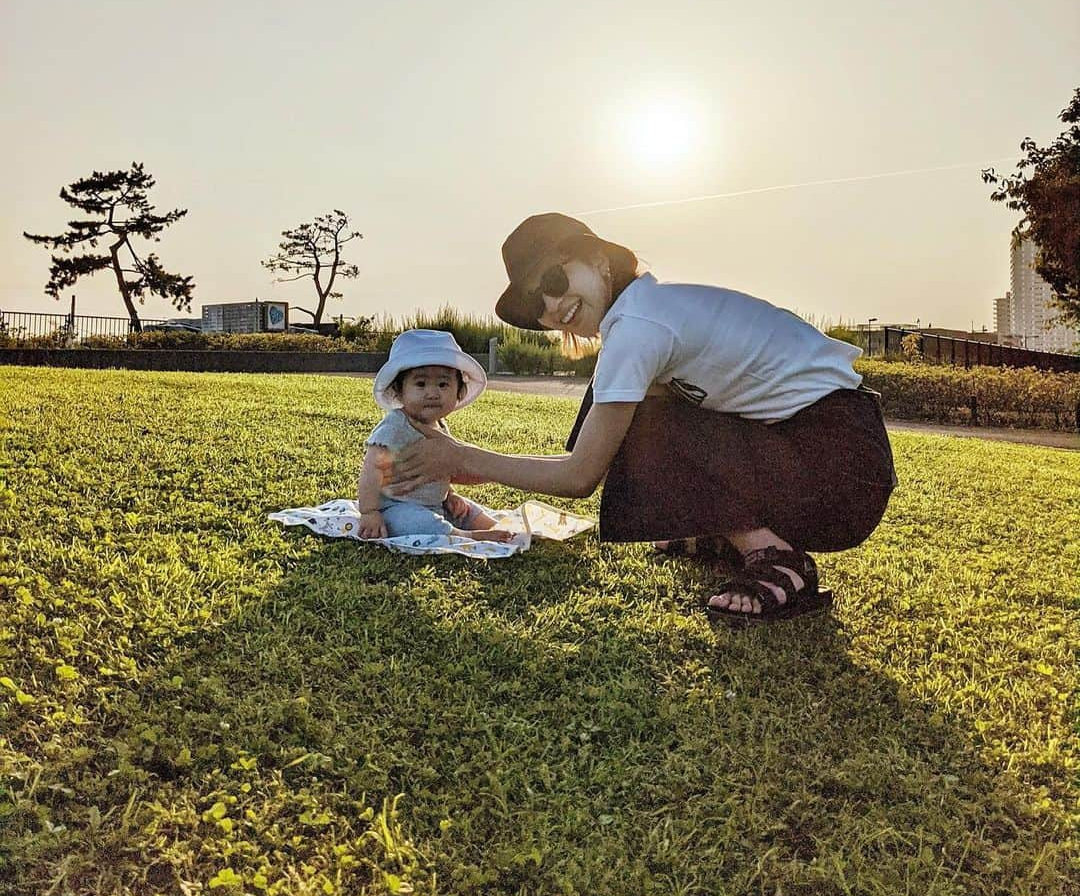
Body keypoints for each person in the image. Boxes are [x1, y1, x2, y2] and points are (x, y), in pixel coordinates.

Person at [390, 214, 897, 627]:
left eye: (552, 279)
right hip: (830, 454)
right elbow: (590, 454)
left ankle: (777, 558)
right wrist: (465, 468)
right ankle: (719, 528)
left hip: (841, 471)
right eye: (534, 302)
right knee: (608, 417)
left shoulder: (639, 327)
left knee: (639, 427)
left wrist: (459, 456)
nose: (551, 306)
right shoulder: (643, 314)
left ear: (596, 259)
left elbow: (580, 475)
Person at [358, 329, 512, 542]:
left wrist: (450, 495)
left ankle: (504, 531)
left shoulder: (439, 425)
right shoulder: (396, 425)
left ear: (459, 391)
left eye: (443, 384)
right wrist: (369, 512)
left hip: (436, 504)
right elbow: (372, 468)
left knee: (467, 509)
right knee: (417, 523)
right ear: (399, 390)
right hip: (397, 507)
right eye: (420, 384)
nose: (432, 393)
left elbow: (439, 470)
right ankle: (466, 536)